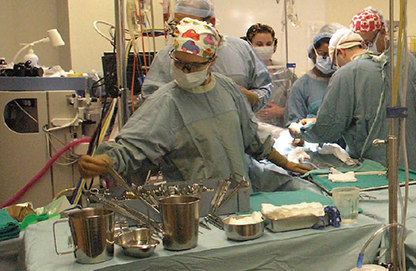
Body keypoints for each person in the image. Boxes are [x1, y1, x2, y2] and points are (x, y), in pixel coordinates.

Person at [78, 19, 308, 183]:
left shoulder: (227, 88)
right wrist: (106, 160)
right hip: (192, 208)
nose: (185, 71)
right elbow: (133, 144)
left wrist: (284, 163)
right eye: (179, 63)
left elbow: (252, 135)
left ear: (212, 61)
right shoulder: (167, 101)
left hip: (238, 197)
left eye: (194, 66)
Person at [300, 28, 416, 172]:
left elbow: (328, 129)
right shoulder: (394, 69)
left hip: (379, 167)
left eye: (336, 64)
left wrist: (302, 131)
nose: (337, 68)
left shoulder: (348, 73)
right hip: (413, 163)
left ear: (340, 52)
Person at [141, 0, 272, 112]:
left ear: (211, 22)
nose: (181, 30)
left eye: (190, 25)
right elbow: (150, 100)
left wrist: (250, 97)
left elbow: (263, 87)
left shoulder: (241, 49)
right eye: (177, 24)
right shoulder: (166, 56)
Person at [350, 7, 416, 105]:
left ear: (383, 33)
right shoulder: (363, 59)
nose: (365, 48)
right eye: (361, 44)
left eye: (368, 42)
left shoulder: (401, 59)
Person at [245, 23, 298, 127]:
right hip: (253, 131)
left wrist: (281, 111)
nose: (265, 48)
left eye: (268, 44)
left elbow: (299, 103)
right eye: (259, 44)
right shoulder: (244, 72)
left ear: (274, 45)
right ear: (249, 45)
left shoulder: (284, 73)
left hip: (281, 131)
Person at [285, 32, 334, 124]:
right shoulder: (301, 86)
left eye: (331, 55)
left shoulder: (341, 80)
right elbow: (295, 123)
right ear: (313, 53)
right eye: (323, 55)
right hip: (311, 137)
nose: (328, 59)